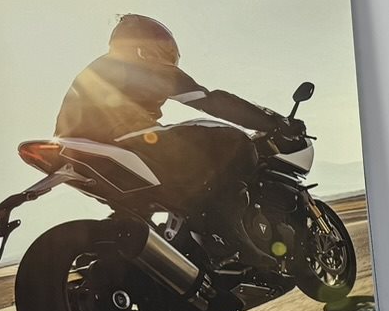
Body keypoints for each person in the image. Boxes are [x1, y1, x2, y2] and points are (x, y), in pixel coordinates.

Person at [53, 15, 277, 202]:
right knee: (234, 142)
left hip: (79, 149)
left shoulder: (99, 69)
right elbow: (208, 100)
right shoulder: (141, 63)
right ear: (146, 42)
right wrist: (274, 123)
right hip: (122, 138)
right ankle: (228, 221)